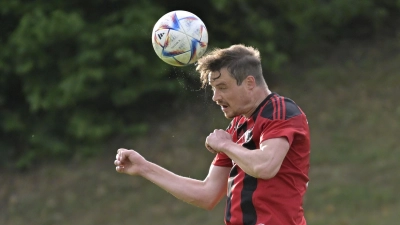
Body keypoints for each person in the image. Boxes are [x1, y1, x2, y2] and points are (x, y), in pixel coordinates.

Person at [114, 44, 310, 225]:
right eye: (214, 89)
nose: (215, 97)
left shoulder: (280, 110)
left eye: (222, 87)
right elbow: (207, 194)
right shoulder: (236, 127)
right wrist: (144, 167)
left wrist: (226, 145)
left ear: (250, 83)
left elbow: (266, 166)